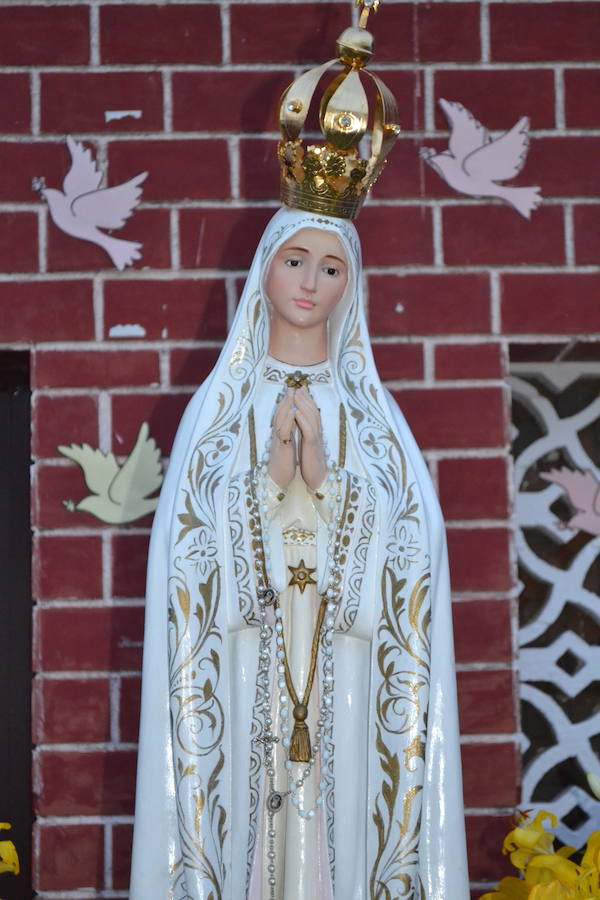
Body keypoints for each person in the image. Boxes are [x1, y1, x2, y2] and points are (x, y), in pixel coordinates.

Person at [129, 206, 469, 899]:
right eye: (295, 261)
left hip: (347, 675)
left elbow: (415, 551)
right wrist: (266, 485)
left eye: (331, 267)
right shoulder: (219, 408)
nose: (311, 282)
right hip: (242, 664)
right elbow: (185, 553)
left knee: (339, 823)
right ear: (265, 270)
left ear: (351, 284)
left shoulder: (373, 416)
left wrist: (327, 481)